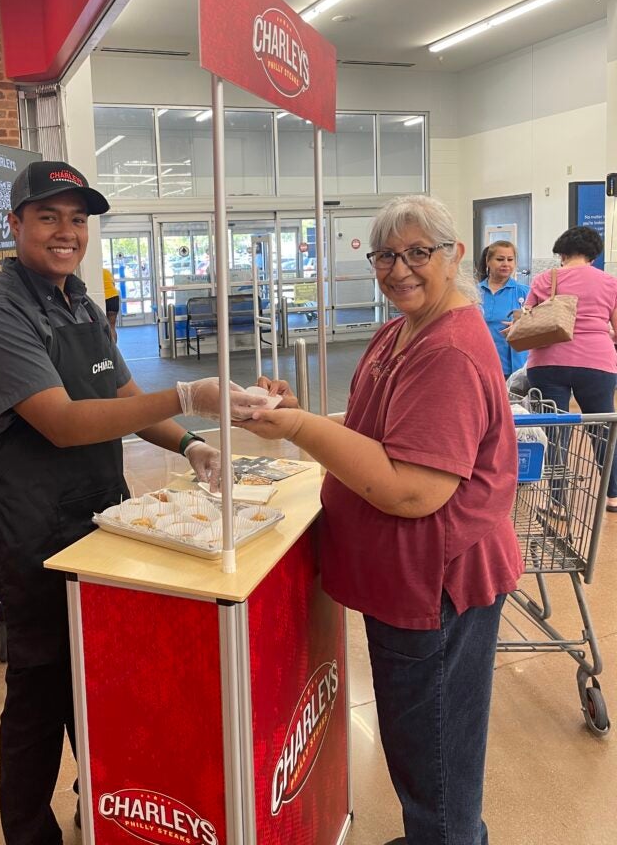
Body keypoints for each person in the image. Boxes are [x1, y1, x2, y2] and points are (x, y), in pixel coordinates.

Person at [0, 160, 261, 845]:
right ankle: (29, 834)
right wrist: (190, 394)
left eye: (78, 219)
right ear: (15, 225)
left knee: (98, 679)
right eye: (48, 217)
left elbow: (122, 403)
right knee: (38, 692)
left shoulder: (82, 303)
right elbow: (64, 421)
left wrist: (189, 444)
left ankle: (96, 803)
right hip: (34, 529)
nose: (66, 232)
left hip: (102, 516)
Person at [243, 195, 522, 845]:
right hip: (407, 582)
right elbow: (380, 435)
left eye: (418, 252)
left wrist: (301, 428)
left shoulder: (446, 350)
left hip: (435, 587)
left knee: (437, 757)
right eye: (386, 255)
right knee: (420, 743)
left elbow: (411, 490)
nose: (400, 269)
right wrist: (301, 408)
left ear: (454, 256)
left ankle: (446, 837)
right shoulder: (405, 328)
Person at [525, 225, 617, 512]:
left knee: (556, 431)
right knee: (603, 429)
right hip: (597, 363)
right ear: (594, 254)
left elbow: (528, 321)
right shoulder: (610, 283)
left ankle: (557, 502)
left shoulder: (545, 279)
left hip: (548, 361)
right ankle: (613, 496)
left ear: (561, 253)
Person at [477, 239, 530, 377]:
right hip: (480, 365)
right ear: (488, 261)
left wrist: (521, 326)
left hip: (514, 368)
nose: (506, 264)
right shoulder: (473, 293)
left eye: (510, 259)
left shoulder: (525, 292)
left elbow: (540, 329)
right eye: (500, 259)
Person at [102, 266, 120, 340]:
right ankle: (114, 348)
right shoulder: (107, 271)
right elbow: (113, 284)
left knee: (103, 326)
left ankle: (107, 348)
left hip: (104, 298)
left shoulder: (94, 273)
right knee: (112, 327)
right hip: (113, 298)